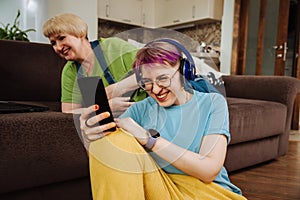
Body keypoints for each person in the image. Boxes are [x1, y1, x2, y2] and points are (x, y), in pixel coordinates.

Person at [79, 39, 247, 199]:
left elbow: (208, 170)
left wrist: (149, 139)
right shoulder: (140, 109)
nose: (156, 90)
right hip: (163, 190)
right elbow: (110, 162)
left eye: (163, 79)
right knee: (112, 140)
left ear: (183, 70)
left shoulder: (212, 104)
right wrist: (91, 136)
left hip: (210, 193)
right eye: (147, 82)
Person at [42, 13, 145, 115]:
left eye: (61, 38)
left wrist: (113, 90)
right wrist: (104, 107)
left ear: (80, 33)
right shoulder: (70, 71)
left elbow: (154, 69)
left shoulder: (113, 46)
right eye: (53, 43)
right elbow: (68, 111)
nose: (58, 47)